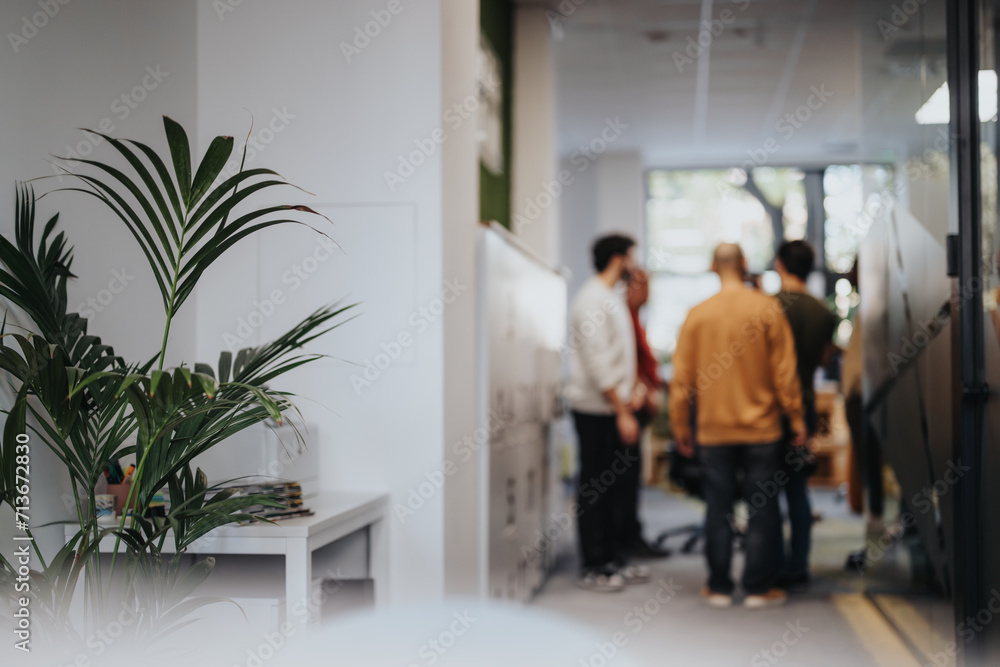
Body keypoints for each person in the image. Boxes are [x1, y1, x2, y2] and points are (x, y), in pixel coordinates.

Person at [670, 243, 805, 610]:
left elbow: (681, 379)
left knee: (718, 506)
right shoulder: (766, 308)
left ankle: (718, 587)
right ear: (744, 265)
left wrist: (680, 423)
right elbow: (785, 373)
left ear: (714, 267)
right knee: (763, 507)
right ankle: (758, 589)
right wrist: (796, 418)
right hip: (762, 429)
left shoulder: (697, 315)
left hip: (714, 430)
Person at [566, 233, 650, 592]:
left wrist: (635, 389)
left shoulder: (610, 298)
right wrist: (622, 411)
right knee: (595, 488)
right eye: (631, 257)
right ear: (618, 259)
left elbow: (618, 357)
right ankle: (594, 564)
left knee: (616, 487)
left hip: (613, 407)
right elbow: (599, 364)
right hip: (598, 411)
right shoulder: (591, 300)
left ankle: (613, 557)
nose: (634, 264)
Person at [772, 240, 839, 588]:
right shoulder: (824, 312)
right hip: (806, 405)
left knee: (765, 489)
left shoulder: (767, 307)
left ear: (779, 264)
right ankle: (798, 565)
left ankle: (768, 563)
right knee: (797, 489)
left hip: (769, 409)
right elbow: (826, 360)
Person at [617, 268, 671, 559]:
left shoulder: (635, 318)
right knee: (624, 478)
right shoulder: (622, 317)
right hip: (629, 408)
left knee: (630, 477)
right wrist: (641, 390)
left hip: (640, 407)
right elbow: (624, 365)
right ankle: (626, 538)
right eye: (644, 285)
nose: (648, 291)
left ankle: (631, 533)